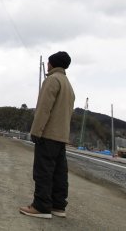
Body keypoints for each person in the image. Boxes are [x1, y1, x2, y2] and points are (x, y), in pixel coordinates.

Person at [20, 51, 75, 219]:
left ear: (52, 63)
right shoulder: (67, 84)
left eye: (49, 62)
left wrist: (36, 132)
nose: (48, 65)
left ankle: (41, 206)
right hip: (61, 136)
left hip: (48, 134)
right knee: (59, 172)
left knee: (43, 171)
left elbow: (44, 109)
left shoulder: (52, 80)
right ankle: (58, 206)